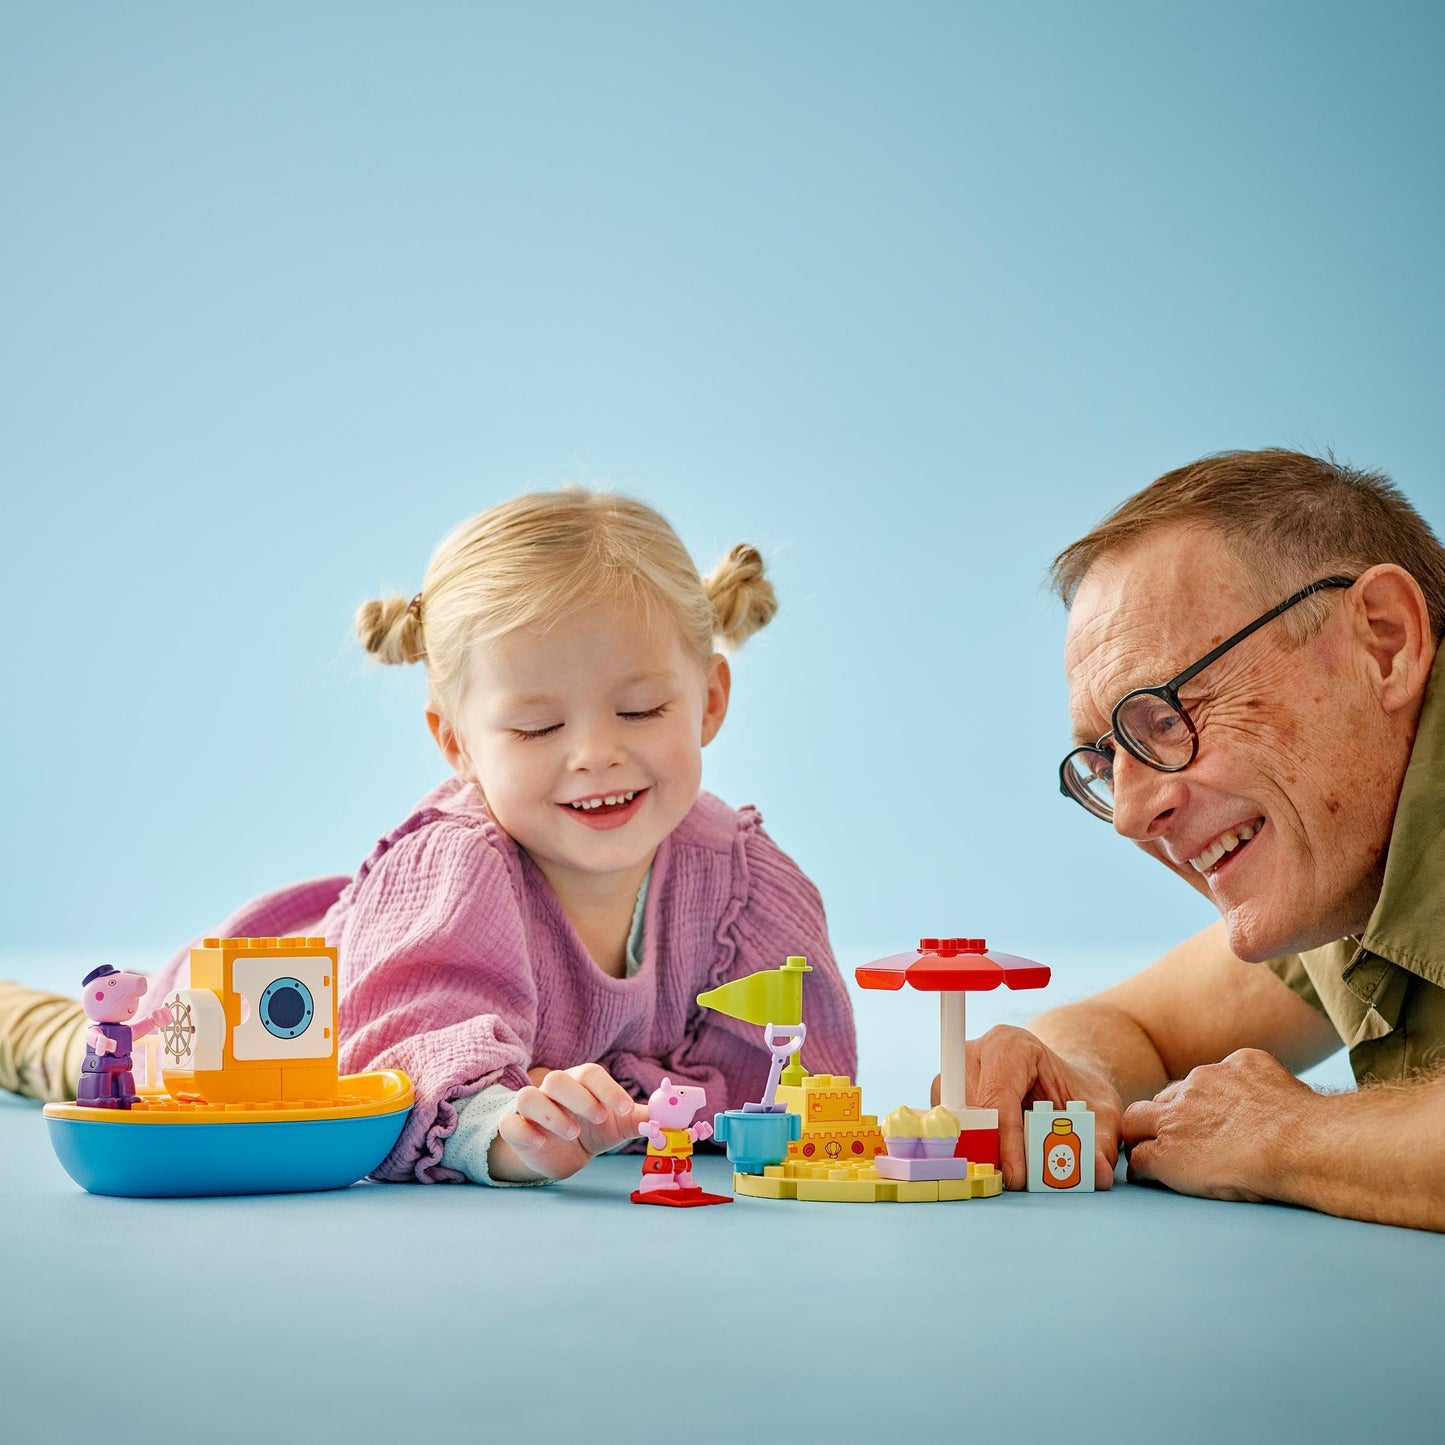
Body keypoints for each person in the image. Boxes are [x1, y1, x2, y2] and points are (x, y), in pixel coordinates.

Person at [0, 488, 857, 1185]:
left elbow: (795, 1076)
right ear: (456, 743)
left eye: (640, 709)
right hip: (231, 1032)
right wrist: (509, 1134)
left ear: (708, 700)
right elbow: (403, 1064)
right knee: (97, 1056)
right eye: (533, 727)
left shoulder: (739, 879)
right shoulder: (459, 865)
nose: (596, 753)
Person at [960, 449, 1445, 1231]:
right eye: (1105, 758)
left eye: (1165, 715)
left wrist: (1288, 1135)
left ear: (1383, 643)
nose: (1125, 816)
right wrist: (1070, 1078)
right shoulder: (1342, 860)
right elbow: (1130, 1027)